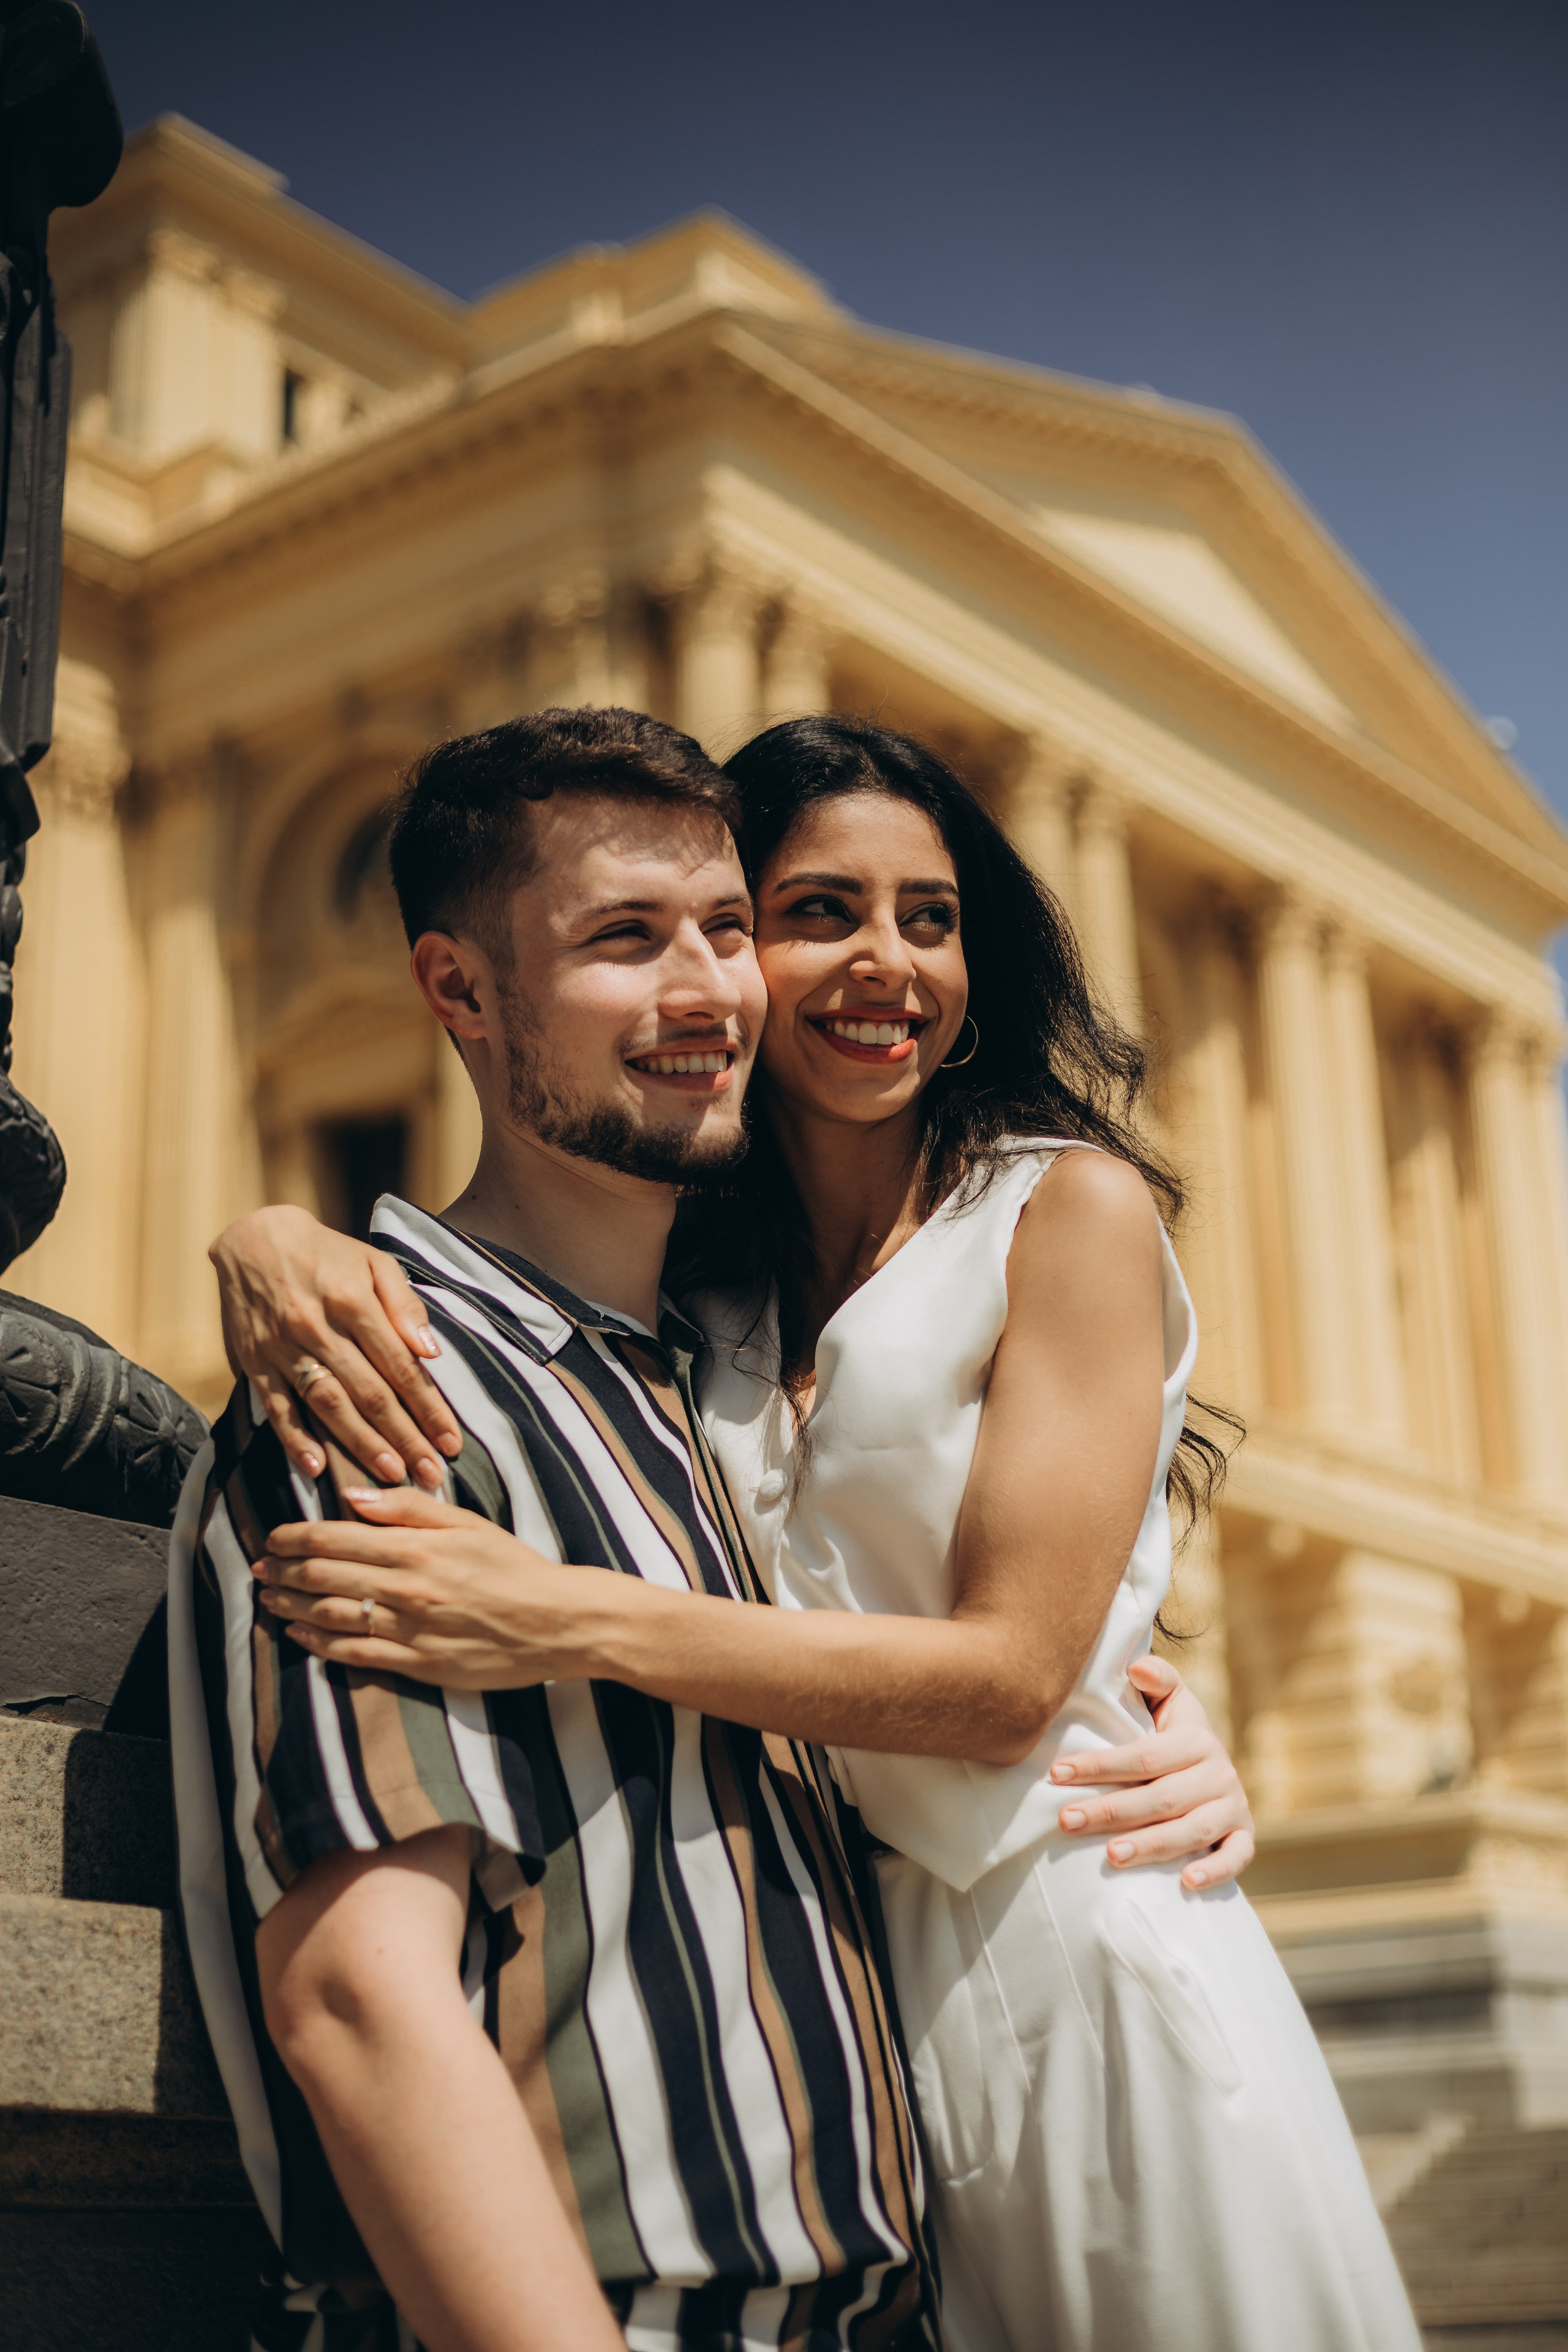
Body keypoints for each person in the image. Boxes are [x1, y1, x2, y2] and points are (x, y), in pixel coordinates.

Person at [204, 712, 1412, 2352]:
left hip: (1069, 1973)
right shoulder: (678, 1314)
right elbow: (357, 1991)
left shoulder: (1060, 1208)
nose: (884, 966)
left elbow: (1009, 1679)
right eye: (815, 912)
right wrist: (276, 1236)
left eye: (932, 916)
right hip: (874, 2062)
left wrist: (561, 1613)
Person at [170, 709, 945, 2352]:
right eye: (623, 941)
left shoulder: (726, 1394)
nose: (707, 994)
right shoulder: (380, 1381)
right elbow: (363, 1999)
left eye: (727, 930)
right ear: (456, 990)